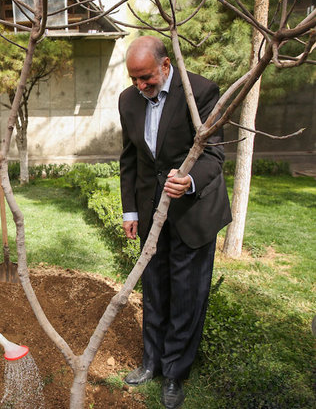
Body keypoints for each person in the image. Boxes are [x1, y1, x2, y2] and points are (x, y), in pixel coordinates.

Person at [118, 36, 231, 408]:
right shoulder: (128, 100)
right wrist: (131, 210)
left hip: (194, 212)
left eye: (147, 77)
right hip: (152, 214)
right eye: (134, 78)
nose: (140, 86)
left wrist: (190, 180)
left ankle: (174, 373)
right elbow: (131, 159)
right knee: (154, 288)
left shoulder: (200, 92)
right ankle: (151, 361)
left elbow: (214, 155)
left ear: (165, 66)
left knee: (186, 294)